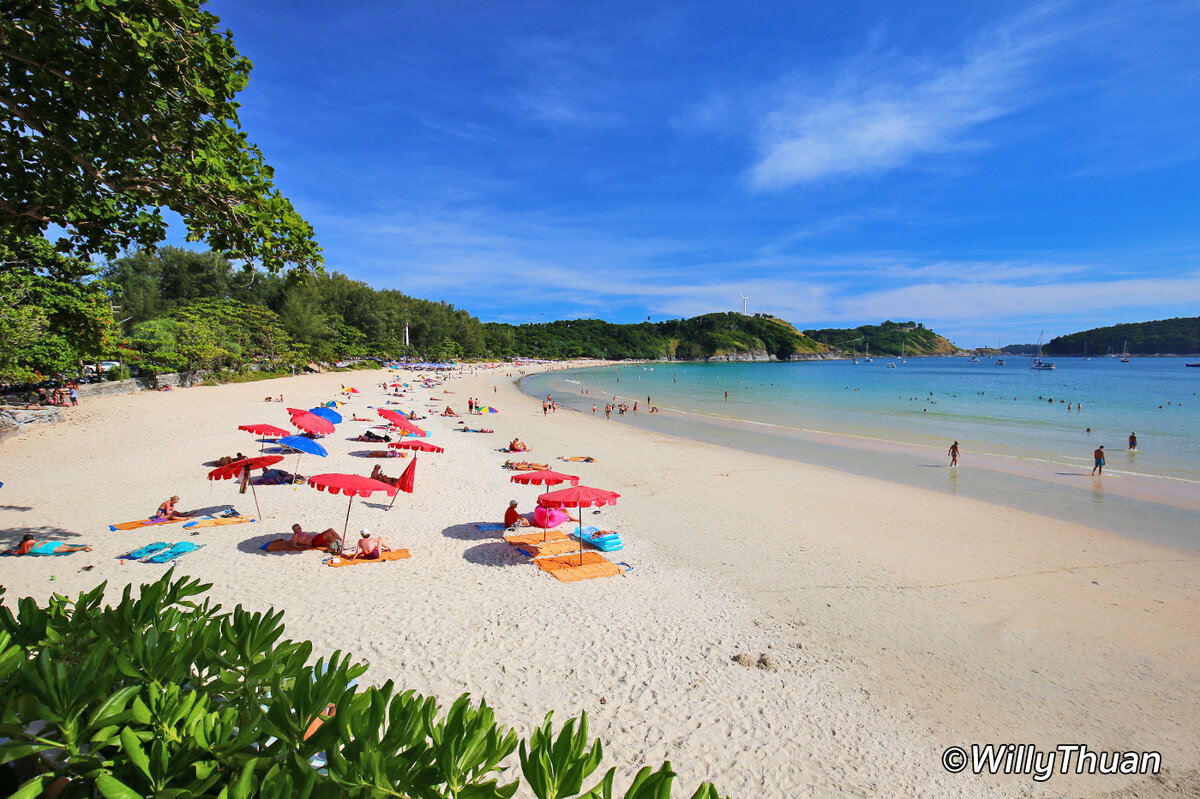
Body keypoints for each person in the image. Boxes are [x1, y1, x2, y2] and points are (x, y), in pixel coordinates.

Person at [267, 525, 340, 552]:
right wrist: (303, 546)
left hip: (316, 538)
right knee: (328, 534)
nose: (301, 528)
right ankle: (337, 546)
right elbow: (294, 545)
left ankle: (340, 540)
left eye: (300, 527)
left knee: (330, 530)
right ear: (295, 530)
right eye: (299, 528)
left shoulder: (301, 533)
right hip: (314, 542)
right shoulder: (295, 536)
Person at [5, 534, 92, 556]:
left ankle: (84, 547)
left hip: (47, 549)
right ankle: (83, 547)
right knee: (69, 547)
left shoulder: (25, 545)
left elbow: (19, 552)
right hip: (52, 543)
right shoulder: (36, 540)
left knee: (68, 549)